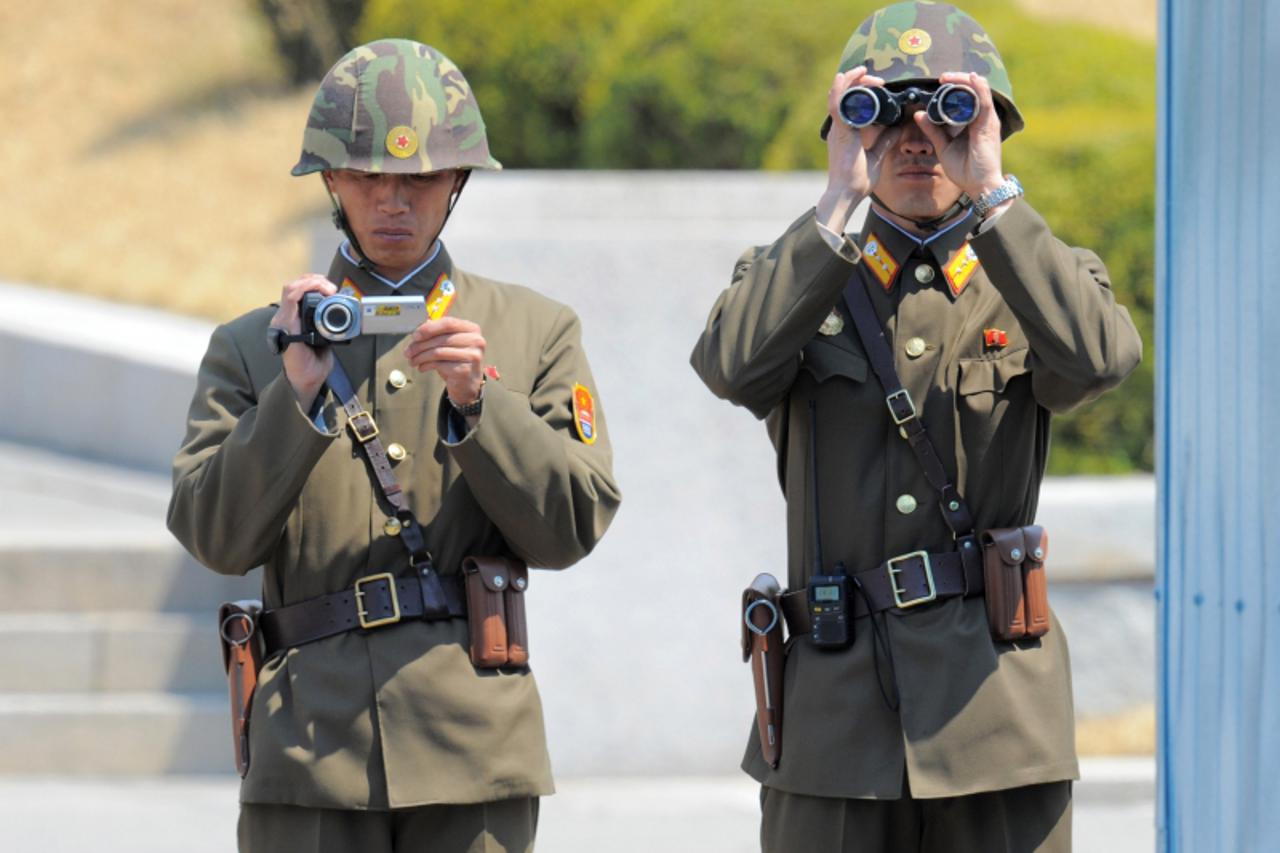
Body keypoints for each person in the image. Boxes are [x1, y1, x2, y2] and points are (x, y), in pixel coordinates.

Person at [690, 3, 1141, 851]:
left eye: (948, 110)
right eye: (883, 111)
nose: (915, 134)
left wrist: (995, 197)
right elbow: (731, 365)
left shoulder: (1038, 281)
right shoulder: (800, 279)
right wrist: (835, 203)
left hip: (995, 718)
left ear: (989, 127)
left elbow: (1098, 360)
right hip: (836, 731)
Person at [168, 39, 620, 853]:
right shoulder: (252, 347)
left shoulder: (533, 329)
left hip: (473, 748)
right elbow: (212, 535)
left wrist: (482, 405)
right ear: (331, 182)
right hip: (310, 754)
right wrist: (296, 396)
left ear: (458, 183)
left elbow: (574, 525)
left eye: (419, 179)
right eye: (369, 176)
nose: (394, 201)